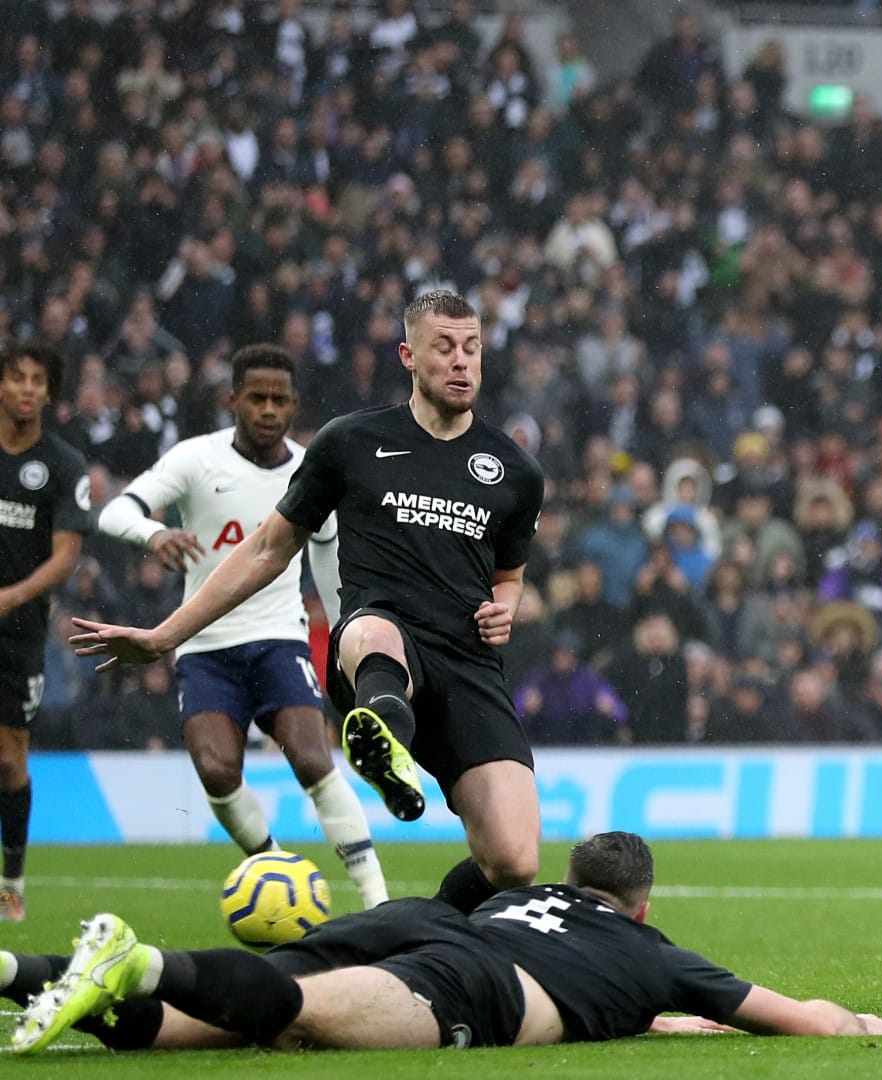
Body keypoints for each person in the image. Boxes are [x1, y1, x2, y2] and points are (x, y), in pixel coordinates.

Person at [71, 291, 546, 911]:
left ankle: (422, 932)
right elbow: (268, 548)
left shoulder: (514, 470)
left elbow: (509, 575)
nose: (461, 362)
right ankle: (383, 741)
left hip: (468, 664)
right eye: (444, 347)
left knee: (513, 861)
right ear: (408, 355)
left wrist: (506, 604)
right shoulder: (350, 442)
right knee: (374, 634)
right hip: (376, 644)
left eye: (472, 348)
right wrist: (165, 636)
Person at [7, 831, 882, 1054]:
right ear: (639, 905)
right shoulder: (657, 954)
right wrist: (861, 1024)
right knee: (301, 1016)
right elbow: (801, 1022)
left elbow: (477, 868)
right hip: (475, 977)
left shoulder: (528, 889)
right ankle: (140, 959)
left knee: (195, 1027)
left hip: (420, 921)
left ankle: (15, 968)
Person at [95, 344, 389, 907]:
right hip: (203, 645)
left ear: (296, 404)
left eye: (280, 399)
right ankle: (274, 871)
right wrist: (153, 534)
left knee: (310, 758)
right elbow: (115, 512)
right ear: (232, 400)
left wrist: (347, 644)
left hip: (280, 638)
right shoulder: (195, 460)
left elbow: (327, 563)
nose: (269, 409)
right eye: (257, 397)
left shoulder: (312, 471)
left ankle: (378, 901)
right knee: (215, 768)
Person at [0, 343, 89, 922]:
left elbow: (66, 557)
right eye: (17, 378)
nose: (27, 389)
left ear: (50, 394)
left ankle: (11, 882)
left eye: (38, 380)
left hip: (19, 634)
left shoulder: (63, 465)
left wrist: (11, 597)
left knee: (9, 761)